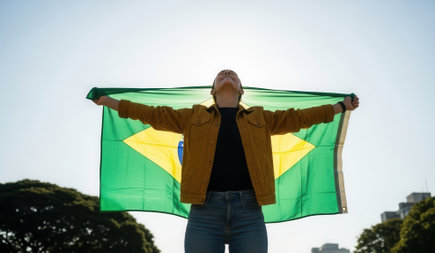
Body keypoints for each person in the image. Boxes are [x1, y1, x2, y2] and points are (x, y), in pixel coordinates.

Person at [93, 69, 359, 253]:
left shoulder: (261, 117)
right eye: (221, 73)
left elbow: (301, 117)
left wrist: (340, 107)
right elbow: (152, 114)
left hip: (250, 212)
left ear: (241, 89)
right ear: (213, 89)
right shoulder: (192, 116)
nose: (227, 74)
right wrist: (109, 102)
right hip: (204, 212)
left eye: (233, 74)